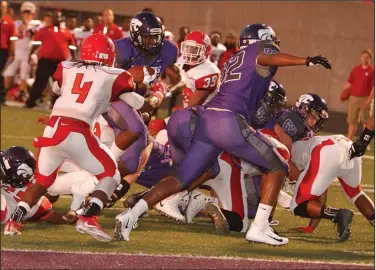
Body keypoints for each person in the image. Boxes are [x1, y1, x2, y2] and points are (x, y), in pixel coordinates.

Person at [114, 23, 331, 246]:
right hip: (228, 121)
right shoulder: (260, 51)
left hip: (208, 121)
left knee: (181, 179)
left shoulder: (233, 59)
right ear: (264, 40)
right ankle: (260, 228)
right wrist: (306, 60)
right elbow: (268, 58)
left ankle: (131, 216)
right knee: (278, 166)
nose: (273, 47)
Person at [3, 33, 154, 242]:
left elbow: (56, 89)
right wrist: (144, 88)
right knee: (111, 173)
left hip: (52, 130)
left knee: (41, 183)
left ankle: (14, 222)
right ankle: (89, 217)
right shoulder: (115, 74)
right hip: (77, 130)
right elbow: (137, 104)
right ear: (108, 54)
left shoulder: (66, 67)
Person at [289, 134, 374, 240]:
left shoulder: (290, 152)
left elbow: (295, 177)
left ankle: (338, 214)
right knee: (355, 193)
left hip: (326, 151)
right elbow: (322, 191)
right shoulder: (306, 143)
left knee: (297, 205)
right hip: (348, 145)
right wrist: (311, 227)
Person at [1, 146, 78, 226]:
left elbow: (60, 217)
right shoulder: (31, 188)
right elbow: (62, 217)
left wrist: (75, 214)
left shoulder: (35, 203)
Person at [24, 10, 77, 109]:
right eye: (55, 16)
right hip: (45, 61)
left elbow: (72, 47)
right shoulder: (44, 30)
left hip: (60, 63)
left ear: (62, 19)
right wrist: (30, 54)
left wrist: (74, 58)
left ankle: (57, 105)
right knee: (39, 82)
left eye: (58, 17)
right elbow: (36, 44)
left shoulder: (67, 32)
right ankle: (30, 102)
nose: (57, 18)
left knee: (59, 84)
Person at [3, 2, 39, 102]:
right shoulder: (16, 23)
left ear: (33, 14)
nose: (27, 15)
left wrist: (28, 26)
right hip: (16, 52)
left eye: (29, 13)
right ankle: (5, 92)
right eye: (25, 12)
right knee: (8, 73)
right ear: (21, 13)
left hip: (28, 53)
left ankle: (22, 94)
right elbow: (12, 38)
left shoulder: (36, 25)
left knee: (24, 75)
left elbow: (36, 38)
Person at [341, 50, 374, 140]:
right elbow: (350, 82)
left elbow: (373, 88)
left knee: (366, 122)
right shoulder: (356, 69)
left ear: (370, 58)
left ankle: (364, 142)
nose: (364, 59)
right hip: (354, 98)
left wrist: (369, 100)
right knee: (352, 121)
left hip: (365, 98)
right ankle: (349, 139)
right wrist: (344, 91)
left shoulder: (372, 70)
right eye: (363, 57)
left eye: (366, 57)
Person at [0, 1, 16, 104]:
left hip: (3, 51)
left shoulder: (10, 22)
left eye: (2, 7)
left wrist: (11, 53)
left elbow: (12, 39)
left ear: (6, 9)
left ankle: (2, 96)